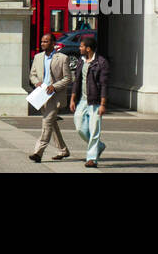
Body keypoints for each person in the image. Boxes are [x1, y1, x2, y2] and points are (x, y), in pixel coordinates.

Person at [27, 32, 72, 162]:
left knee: (46, 123)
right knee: (52, 124)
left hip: (55, 96)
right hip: (41, 96)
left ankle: (38, 153)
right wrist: (37, 83)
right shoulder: (37, 57)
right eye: (42, 41)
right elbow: (32, 75)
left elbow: (68, 78)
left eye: (46, 41)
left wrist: (55, 86)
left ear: (53, 43)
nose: (42, 44)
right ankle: (63, 150)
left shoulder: (62, 58)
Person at [68, 34, 108, 168]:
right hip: (83, 100)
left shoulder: (101, 62)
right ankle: (99, 146)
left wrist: (103, 104)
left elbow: (104, 84)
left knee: (94, 129)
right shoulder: (81, 61)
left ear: (88, 48)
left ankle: (92, 158)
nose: (79, 48)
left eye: (81, 46)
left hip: (95, 101)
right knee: (79, 127)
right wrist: (73, 98)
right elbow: (77, 81)